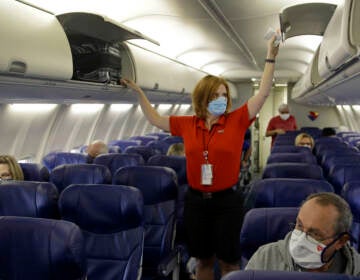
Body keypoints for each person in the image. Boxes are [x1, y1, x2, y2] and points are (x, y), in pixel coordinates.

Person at [120, 32, 279, 280]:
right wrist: (140, 93)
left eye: (224, 95)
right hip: (196, 202)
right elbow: (154, 118)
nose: (221, 99)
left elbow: (264, 93)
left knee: (229, 263)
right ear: (203, 98)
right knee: (203, 262)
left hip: (227, 202)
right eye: (215, 95)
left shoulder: (236, 120)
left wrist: (271, 56)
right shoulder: (188, 124)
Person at [245, 192, 360, 276]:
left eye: (315, 234)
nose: (300, 240)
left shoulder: (356, 270)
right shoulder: (265, 258)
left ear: (341, 241)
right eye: (299, 225)